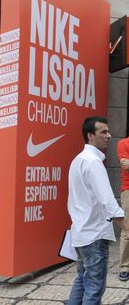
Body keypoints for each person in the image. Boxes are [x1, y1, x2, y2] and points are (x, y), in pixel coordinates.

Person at [67, 116, 129, 305]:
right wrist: (126, 227)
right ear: (90, 135)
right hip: (93, 235)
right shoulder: (93, 162)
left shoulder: (78, 160)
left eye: (108, 131)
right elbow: (108, 202)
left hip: (81, 233)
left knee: (82, 280)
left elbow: (72, 200)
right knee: (94, 287)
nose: (109, 136)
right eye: (103, 132)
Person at [117, 136, 129, 281]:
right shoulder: (123, 143)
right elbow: (125, 166)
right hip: (128, 190)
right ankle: (125, 266)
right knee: (127, 227)